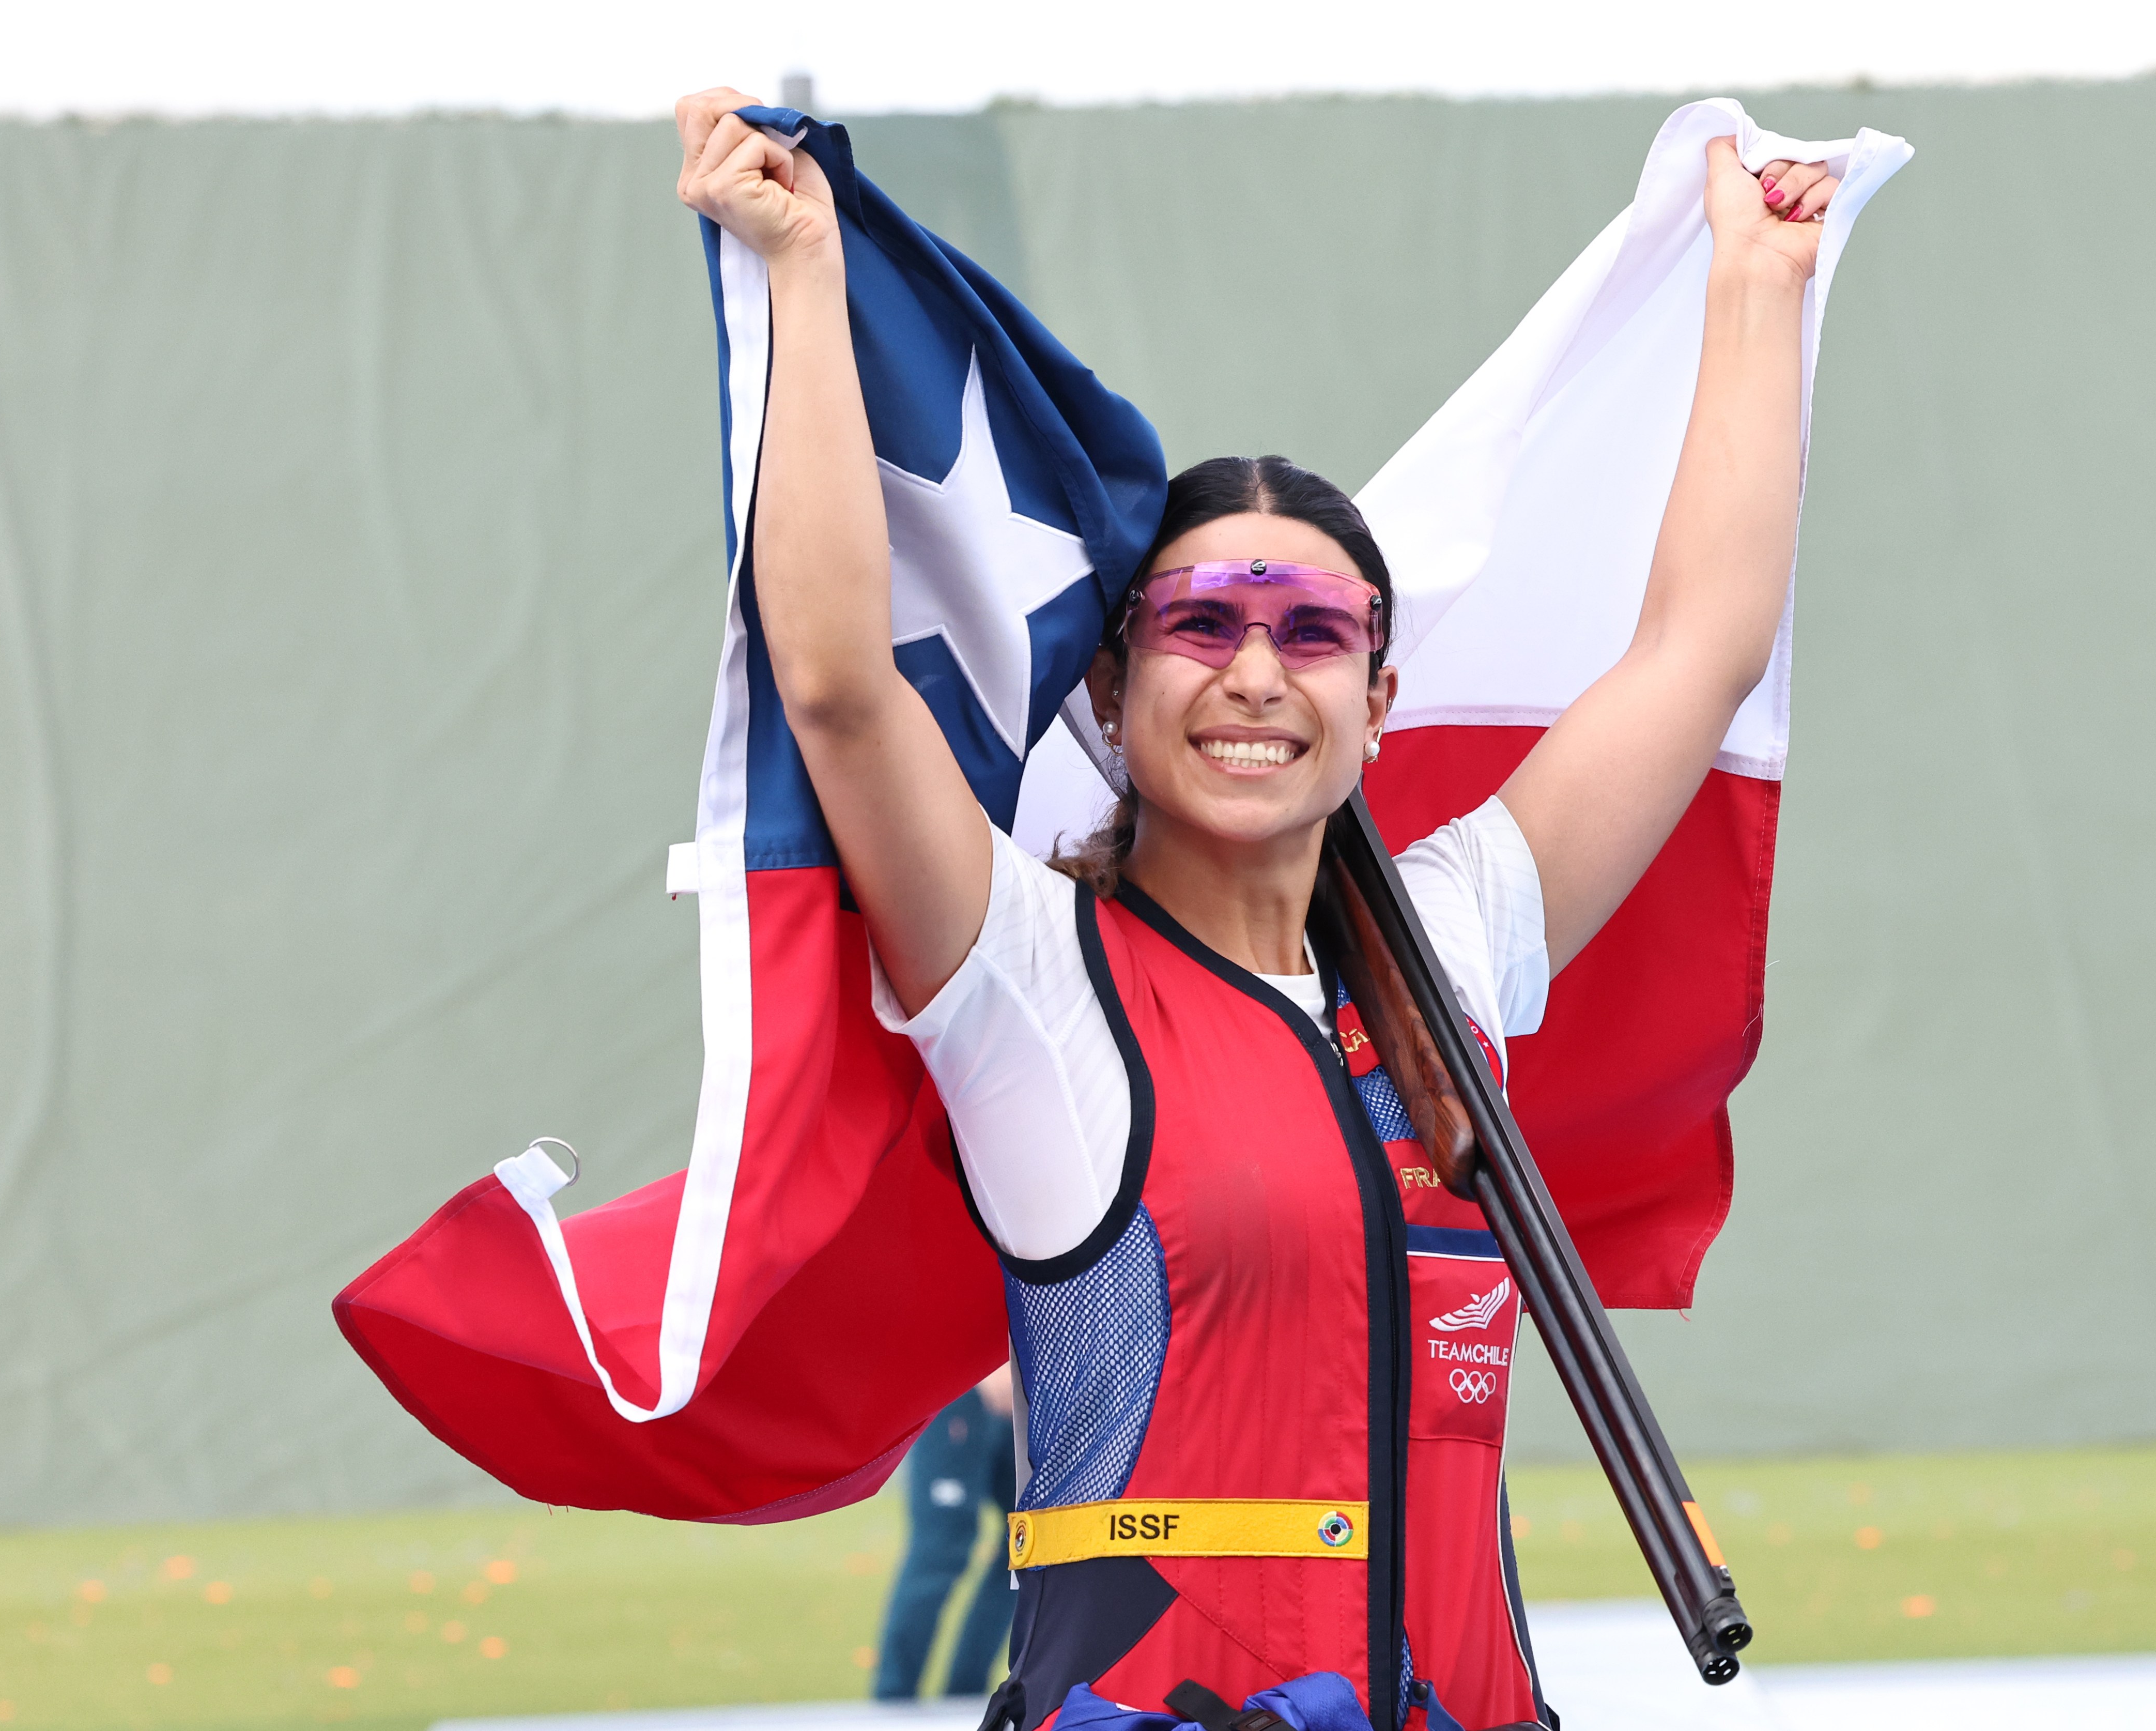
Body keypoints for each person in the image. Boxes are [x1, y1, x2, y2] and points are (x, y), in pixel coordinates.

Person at [675, 87, 1836, 1731]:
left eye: (1306, 633)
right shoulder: (1025, 973)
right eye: (1197, 621)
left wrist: (1753, 289)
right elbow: (839, 692)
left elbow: (1696, 647)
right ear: (1114, 681)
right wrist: (798, 273)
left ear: (1375, 697)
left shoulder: (1449, 948)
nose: (1248, 673)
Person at [875, 1366, 1020, 1701]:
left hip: (1025, 1403)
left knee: (1029, 1546)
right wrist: (985, 1368)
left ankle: (966, 1693)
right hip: (961, 1391)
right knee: (941, 1550)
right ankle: (893, 1697)